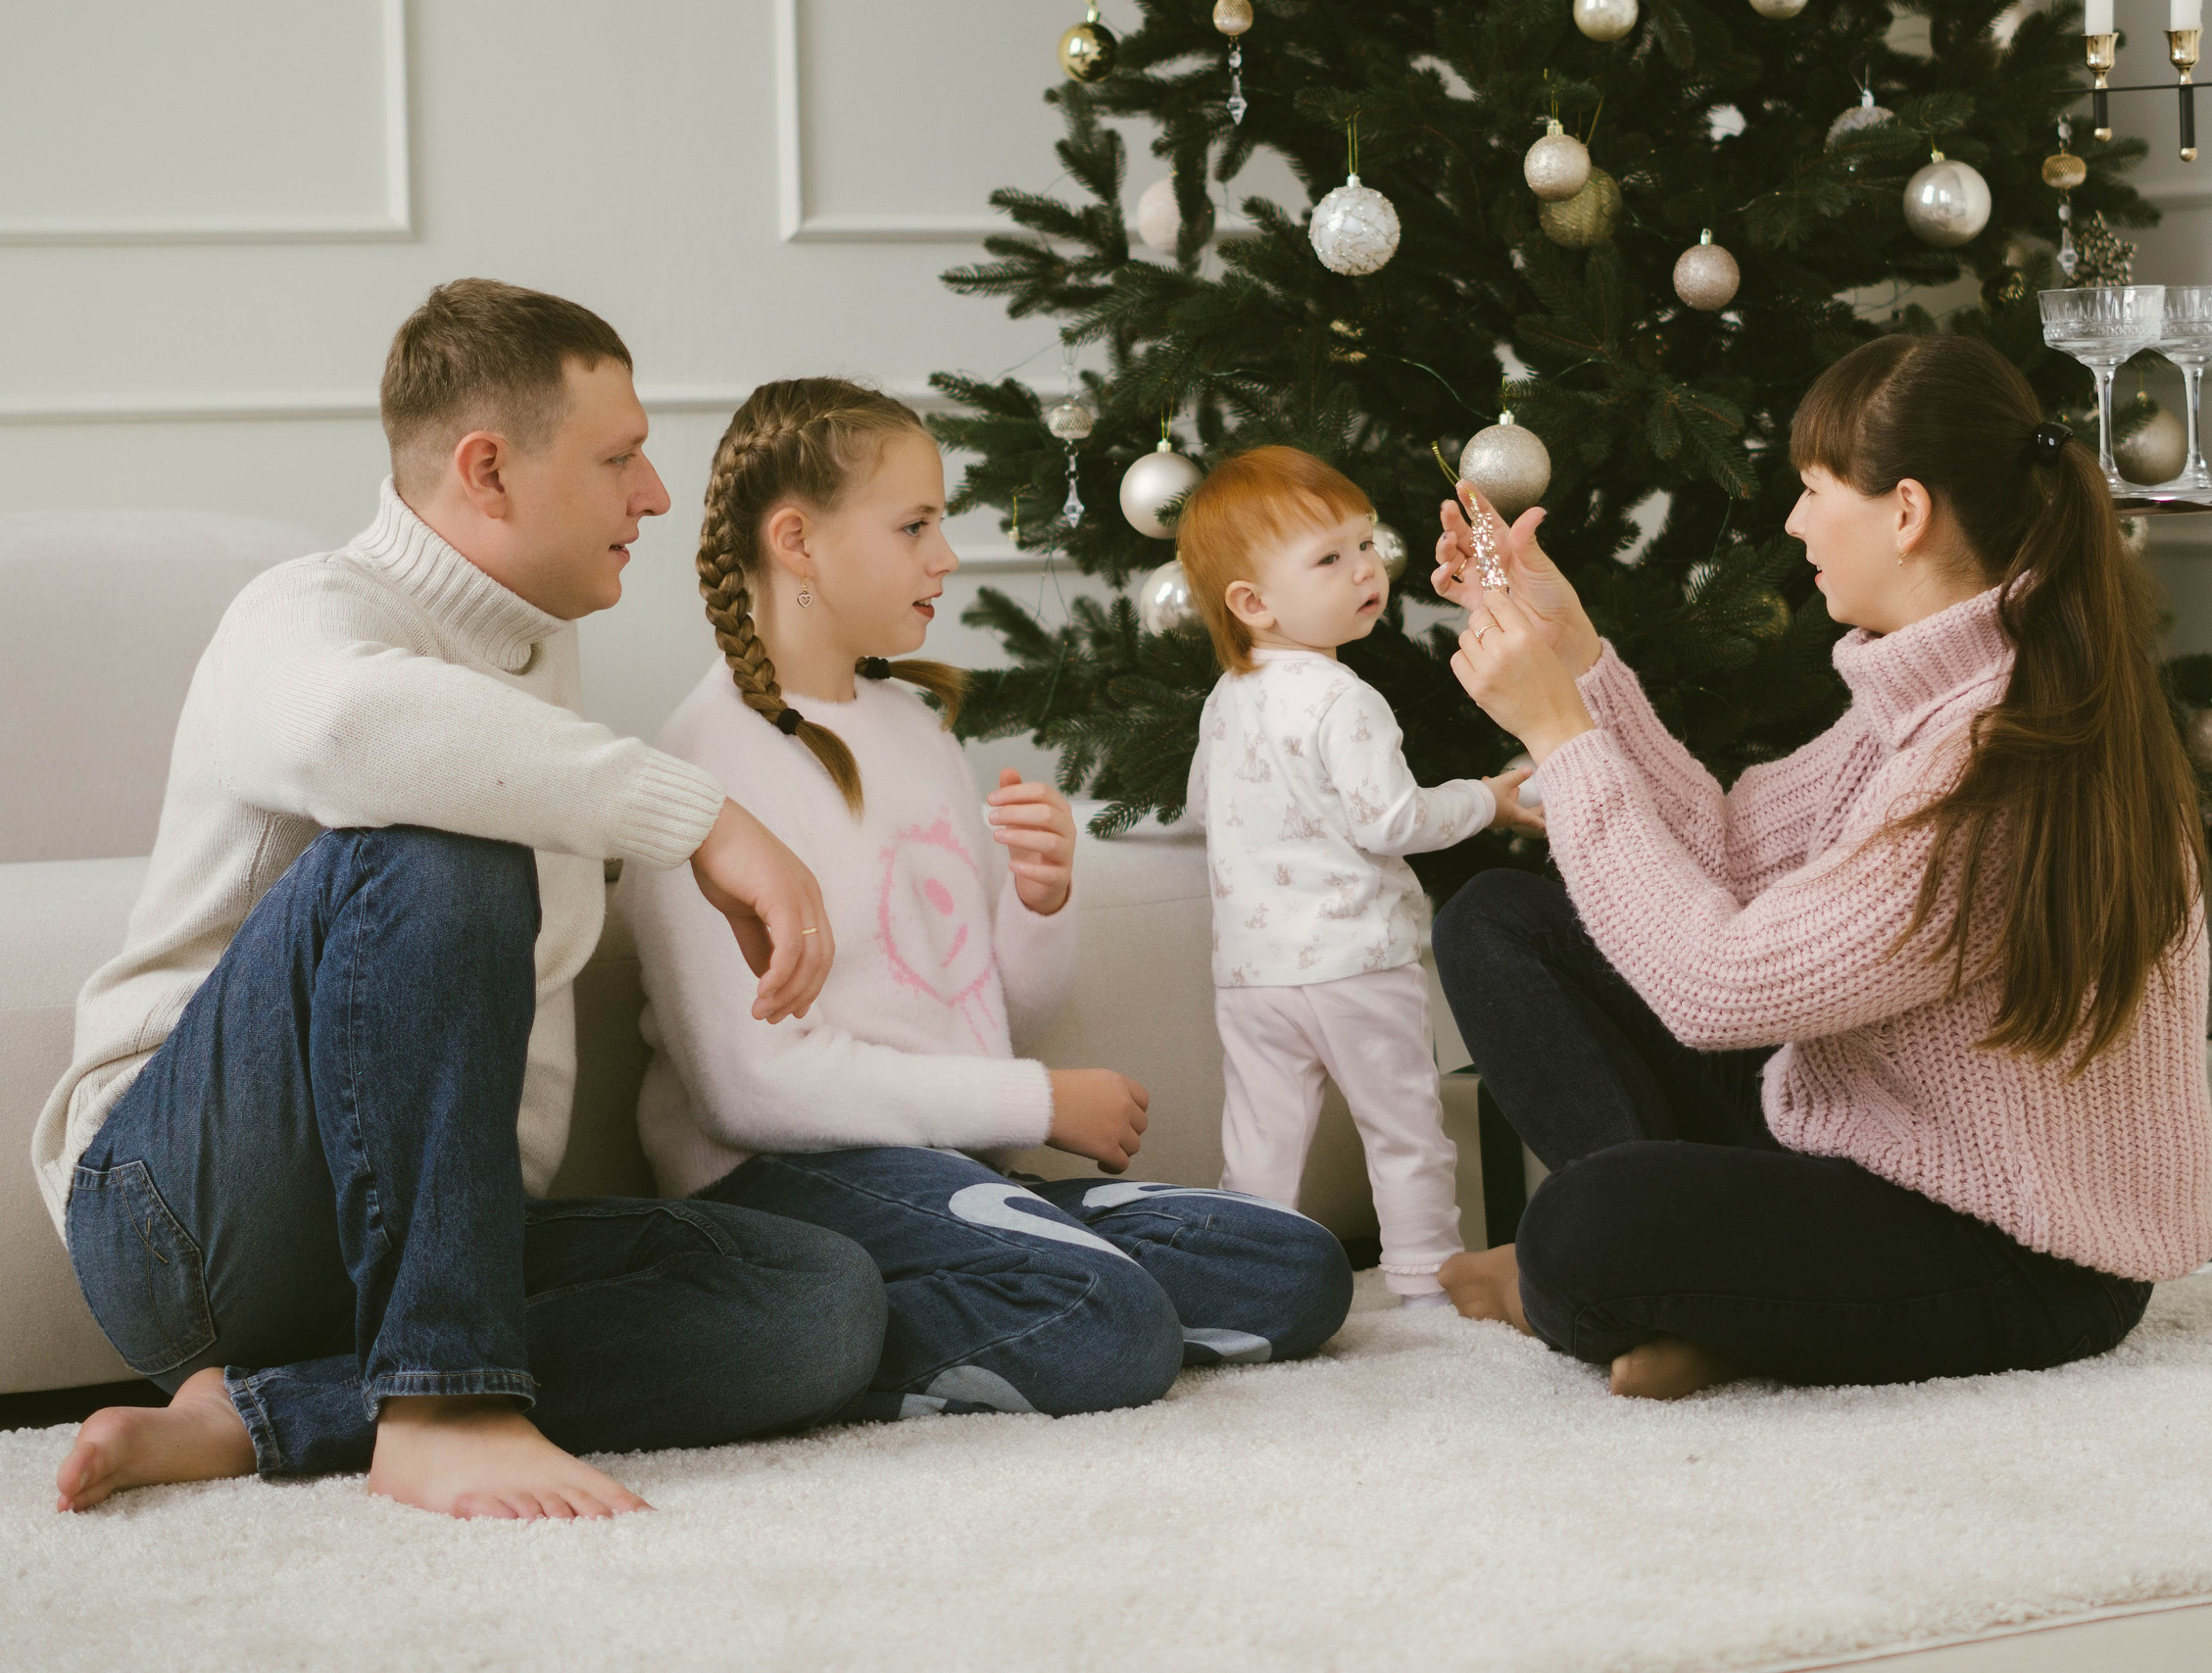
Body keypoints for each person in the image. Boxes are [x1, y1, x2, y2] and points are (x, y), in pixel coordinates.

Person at [37, 280, 888, 1519]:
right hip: (182, 1223)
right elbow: (349, 730)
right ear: (487, 470)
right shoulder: (308, 612)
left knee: (820, 1303)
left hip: (424, 1242)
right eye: (620, 458)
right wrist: (699, 816)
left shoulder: (535, 658)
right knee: (448, 833)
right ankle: (442, 1406)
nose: (653, 495)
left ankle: (274, 1412)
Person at [1429, 333, 2212, 1400]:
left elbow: (1721, 986)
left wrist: (1562, 741)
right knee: (1499, 920)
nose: (1794, 523)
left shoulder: (1999, 757)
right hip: (1873, 1147)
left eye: (1810, 490)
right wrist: (1575, 654)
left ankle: (1663, 1287)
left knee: (1573, 1231)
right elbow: (1732, 858)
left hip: (2019, 1250)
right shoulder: (1934, 694)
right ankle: (1705, 1293)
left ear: (1904, 511)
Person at [617, 382, 1352, 1419]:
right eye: (915, 525)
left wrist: (1038, 904)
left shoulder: (915, 732)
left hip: (946, 1166)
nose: (946, 556)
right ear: (797, 541)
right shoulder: (698, 766)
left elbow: (992, 1019)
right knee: (1111, 1323)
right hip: (778, 1182)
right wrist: (1039, 1103)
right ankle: (833, 1333)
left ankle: (995, 1276)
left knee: (1296, 1269)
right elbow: (750, 1089)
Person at [1172, 447, 1543, 1304]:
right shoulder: (1344, 698)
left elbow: (1202, 807)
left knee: (1260, 1139)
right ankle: (1425, 1283)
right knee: (1404, 1128)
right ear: (1253, 601)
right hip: (1356, 962)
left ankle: (1246, 1281)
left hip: (1253, 972)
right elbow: (1393, 820)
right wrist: (1489, 798)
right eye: (1330, 559)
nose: (1365, 570)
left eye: (1365, 544)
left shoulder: (1227, 697)